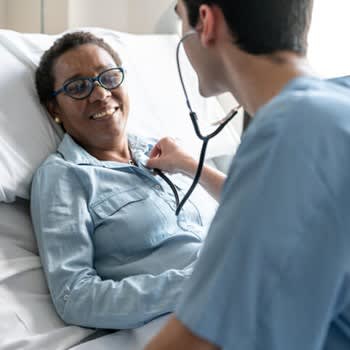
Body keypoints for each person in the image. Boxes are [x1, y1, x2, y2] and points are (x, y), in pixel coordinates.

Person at [145, 0, 350, 349]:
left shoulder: (294, 126)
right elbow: (290, 216)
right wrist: (189, 164)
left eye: (181, 18)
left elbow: (196, 341)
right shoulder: (332, 106)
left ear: (206, 22)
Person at [30, 31, 218, 330]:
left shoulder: (166, 150)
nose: (100, 93)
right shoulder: (64, 176)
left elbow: (246, 207)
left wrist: (189, 165)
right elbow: (74, 296)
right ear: (55, 109)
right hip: (201, 314)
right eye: (79, 87)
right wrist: (201, 282)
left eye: (108, 77)